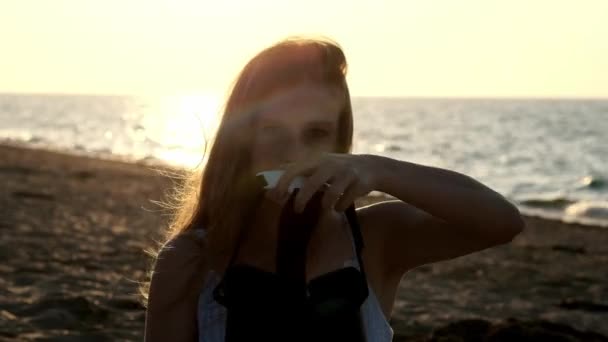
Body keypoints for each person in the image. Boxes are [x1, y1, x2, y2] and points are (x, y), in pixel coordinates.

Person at [142, 36, 525, 342]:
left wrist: (379, 169)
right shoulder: (191, 260)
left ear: (340, 143)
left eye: (316, 133)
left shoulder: (375, 240)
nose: (292, 154)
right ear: (243, 141)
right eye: (272, 131)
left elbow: (502, 221)